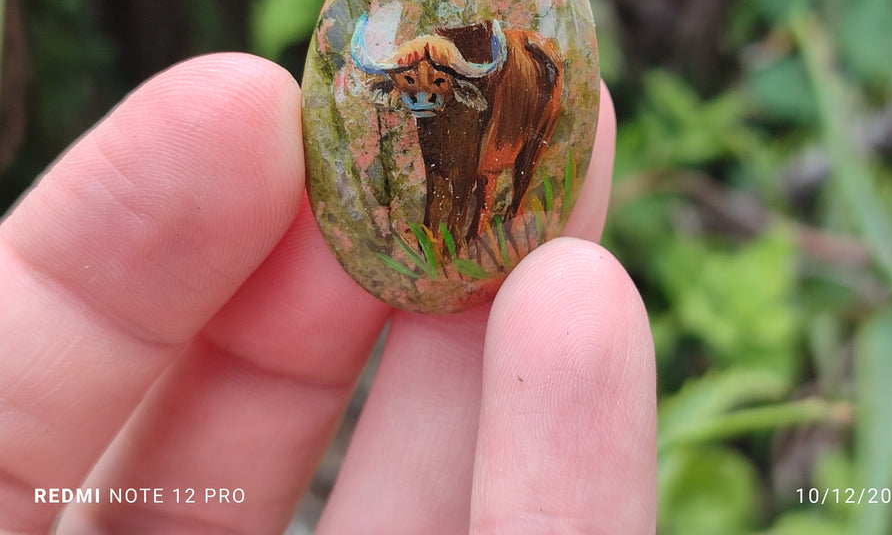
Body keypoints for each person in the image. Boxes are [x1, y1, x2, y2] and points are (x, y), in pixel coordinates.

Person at [0, 53, 656, 533]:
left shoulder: (490, 92)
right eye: (407, 86)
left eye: (433, 85)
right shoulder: (418, 108)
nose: (419, 94)